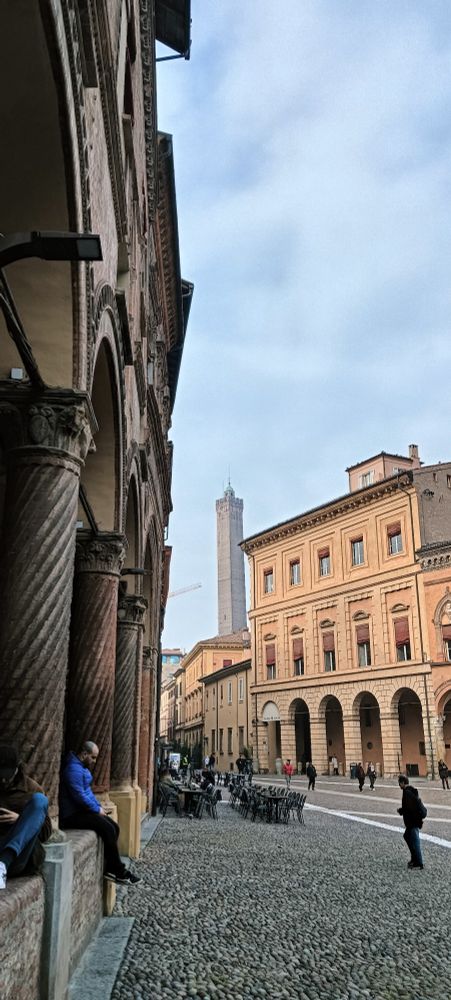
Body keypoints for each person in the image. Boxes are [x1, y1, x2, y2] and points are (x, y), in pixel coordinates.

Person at [60, 741, 141, 885]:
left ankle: (110, 867)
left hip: (81, 811)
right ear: (84, 754)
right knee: (108, 829)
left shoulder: (80, 768)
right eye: (93, 757)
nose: (94, 761)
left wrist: (98, 807)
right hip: (71, 815)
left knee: (114, 827)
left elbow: (88, 793)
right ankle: (119, 872)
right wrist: (97, 809)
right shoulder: (73, 770)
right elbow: (80, 796)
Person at [0, 745, 51, 890]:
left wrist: (21, 820)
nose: (4, 780)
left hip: (19, 857)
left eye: (7, 775)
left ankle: (3, 862)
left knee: (40, 800)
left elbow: (46, 833)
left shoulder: (32, 789)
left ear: (17, 768)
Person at [397, 774, 425, 870]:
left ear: (403, 783)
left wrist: (402, 811)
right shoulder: (410, 791)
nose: (399, 785)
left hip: (412, 822)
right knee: (407, 837)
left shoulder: (407, 793)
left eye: (399, 783)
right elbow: (409, 807)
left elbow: (410, 808)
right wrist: (402, 810)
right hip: (412, 821)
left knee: (415, 841)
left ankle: (418, 862)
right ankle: (414, 858)